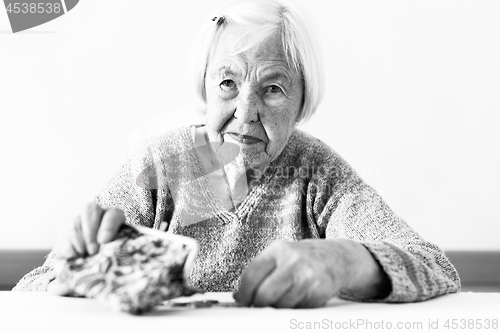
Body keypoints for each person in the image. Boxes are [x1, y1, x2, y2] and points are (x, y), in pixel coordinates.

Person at [13, 0, 460, 308]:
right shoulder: (159, 166)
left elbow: (433, 266)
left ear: (302, 102)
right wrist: (73, 279)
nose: (245, 114)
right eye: (228, 83)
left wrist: (344, 260)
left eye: (273, 88)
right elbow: (32, 289)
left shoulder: (318, 175)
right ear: (204, 87)